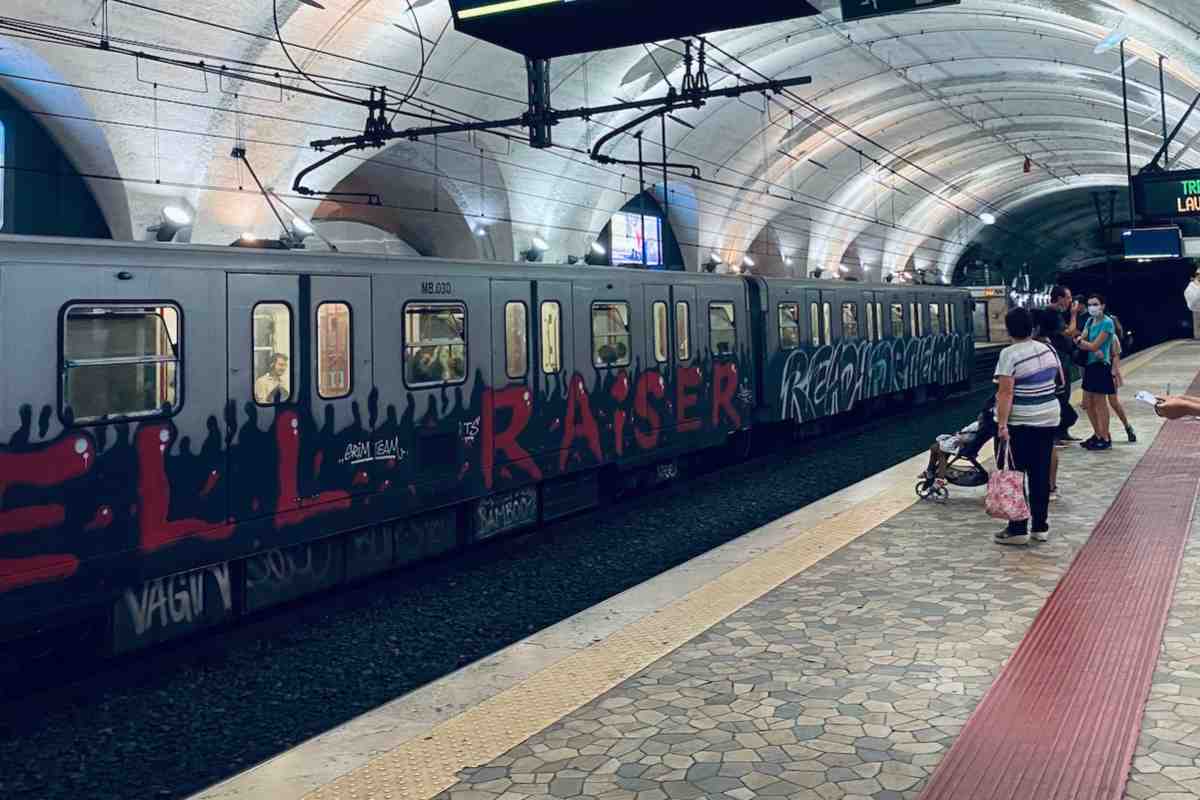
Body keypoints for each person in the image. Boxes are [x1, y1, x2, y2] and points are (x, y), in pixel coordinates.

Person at [994, 307, 1062, 546]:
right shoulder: (1048, 349)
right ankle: (1040, 527)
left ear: (1009, 329)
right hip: (1049, 417)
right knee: (1040, 472)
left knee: (1014, 474)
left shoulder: (1009, 354)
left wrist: (1002, 424)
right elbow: (1057, 380)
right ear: (1032, 327)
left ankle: (1018, 528)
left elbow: (1005, 392)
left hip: (1021, 421)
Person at [1075, 293, 1117, 450]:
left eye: (1095, 304)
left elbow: (1093, 346)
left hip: (1101, 365)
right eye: (1090, 304)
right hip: (1090, 365)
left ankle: (1105, 437)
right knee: (1088, 403)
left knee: (1100, 403)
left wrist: (1081, 341)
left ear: (1103, 306)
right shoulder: (1090, 320)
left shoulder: (1108, 323)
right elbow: (1081, 340)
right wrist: (1082, 341)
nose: (1092, 307)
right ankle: (1097, 433)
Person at [1033, 309, 1065, 500]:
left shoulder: (1022, 351)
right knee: (1048, 446)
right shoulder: (1051, 349)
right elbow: (1061, 382)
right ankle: (1050, 487)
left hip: (1028, 409)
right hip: (1050, 407)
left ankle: (1036, 488)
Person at [1047, 286, 1082, 444]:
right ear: (1059, 298)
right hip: (1057, 362)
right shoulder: (1051, 314)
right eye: (1068, 297)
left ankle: (1062, 432)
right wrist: (1074, 314)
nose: (1070, 301)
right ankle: (1055, 434)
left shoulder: (1057, 315)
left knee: (1065, 394)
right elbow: (1069, 332)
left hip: (1063, 360)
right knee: (1060, 396)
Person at [1106, 313, 1136, 442]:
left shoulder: (1113, 338)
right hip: (1099, 373)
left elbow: (1116, 358)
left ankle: (1127, 427)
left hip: (1110, 373)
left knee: (1113, 402)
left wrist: (1113, 374)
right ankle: (1104, 433)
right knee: (1100, 404)